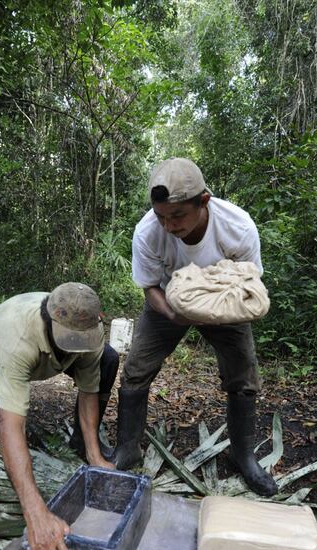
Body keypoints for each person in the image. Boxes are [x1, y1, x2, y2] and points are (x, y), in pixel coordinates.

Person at [114, 157, 278, 497]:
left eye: (177, 216)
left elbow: (250, 285)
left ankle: (243, 456)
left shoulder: (238, 227)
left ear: (203, 201)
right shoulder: (148, 232)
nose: (169, 226)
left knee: (243, 377)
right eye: (161, 216)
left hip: (225, 302)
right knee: (135, 370)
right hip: (169, 304)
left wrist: (222, 312)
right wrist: (176, 315)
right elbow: (149, 288)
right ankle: (128, 449)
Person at [0, 283, 119, 550]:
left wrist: (95, 456)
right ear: (51, 322)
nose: (79, 342)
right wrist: (36, 513)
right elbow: (11, 424)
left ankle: (82, 444)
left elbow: (89, 391)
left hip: (47, 355)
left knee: (109, 359)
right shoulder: (17, 337)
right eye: (70, 338)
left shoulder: (90, 329)